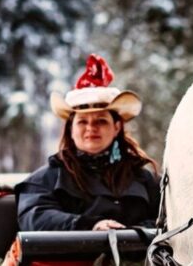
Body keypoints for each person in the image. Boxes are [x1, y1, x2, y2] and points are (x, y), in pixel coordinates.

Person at [15, 54, 160, 231]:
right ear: (71, 129)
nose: (91, 128)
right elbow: (34, 216)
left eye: (101, 121)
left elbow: (166, 221)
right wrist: (90, 225)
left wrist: (131, 234)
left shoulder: (144, 179)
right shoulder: (46, 178)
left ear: (116, 127)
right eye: (83, 122)